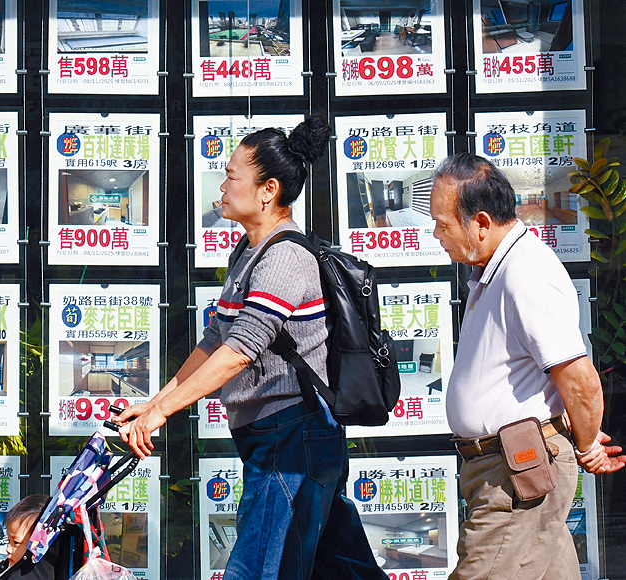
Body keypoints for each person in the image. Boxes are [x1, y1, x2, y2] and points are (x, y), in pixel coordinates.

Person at [114, 115, 387, 580]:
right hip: (279, 439)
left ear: (268, 190)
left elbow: (241, 349)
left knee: (259, 569)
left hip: (293, 437)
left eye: (232, 175)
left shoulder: (285, 256)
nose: (221, 185)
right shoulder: (246, 253)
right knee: (344, 570)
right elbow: (216, 340)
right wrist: (154, 405)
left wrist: (162, 414)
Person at [429, 152, 626, 580]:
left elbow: (579, 379)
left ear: (480, 223)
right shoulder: (498, 268)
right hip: (510, 468)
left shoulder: (525, 272)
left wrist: (589, 443)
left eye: (443, 224)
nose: (436, 234)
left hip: (515, 470)